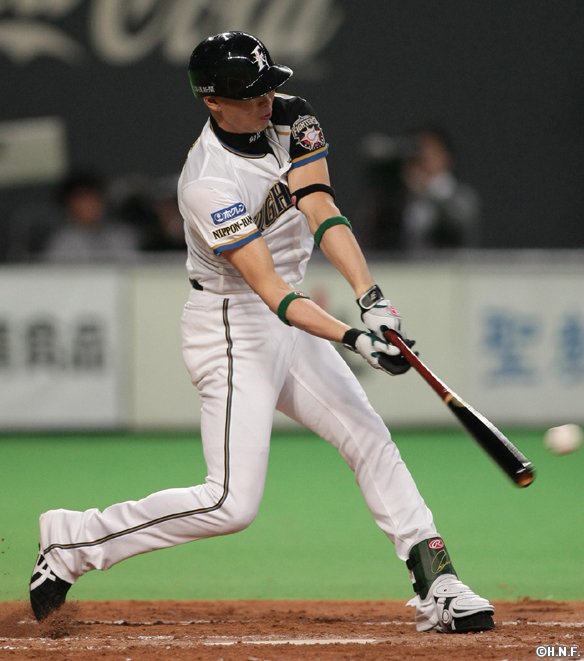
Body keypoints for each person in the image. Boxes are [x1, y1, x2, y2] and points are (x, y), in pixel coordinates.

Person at [29, 32, 495, 633]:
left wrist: (372, 300)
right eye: (250, 94)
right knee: (230, 503)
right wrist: (356, 339)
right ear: (212, 102)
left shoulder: (293, 115)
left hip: (287, 320)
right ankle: (73, 540)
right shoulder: (206, 183)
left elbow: (320, 207)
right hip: (231, 327)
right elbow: (271, 291)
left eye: (268, 84)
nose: (266, 99)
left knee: (368, 436)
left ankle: (438, 582)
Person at [357, 126, 481, 254]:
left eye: (431, 152)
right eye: (417, 152)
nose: (423, 159)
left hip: (448, 265)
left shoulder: (462, 197)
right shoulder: (398, 197)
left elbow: (456, 227)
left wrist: (426, 188)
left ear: (447, 156)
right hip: (403, 264)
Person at [40, 171, 141, 263]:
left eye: (95, 199)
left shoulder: (122, 236)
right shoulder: (62, 242)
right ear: (69, 206)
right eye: (83, 200)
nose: (91, 206)